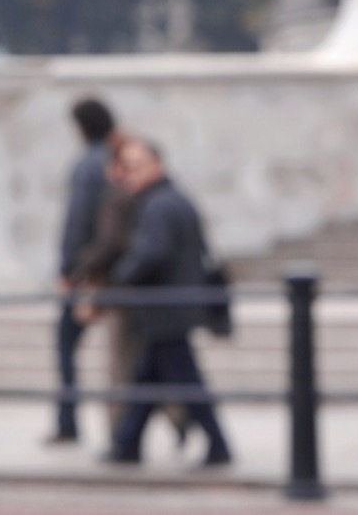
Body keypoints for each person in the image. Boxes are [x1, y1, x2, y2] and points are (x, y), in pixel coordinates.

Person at [107, 138, 231, 466]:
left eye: (137, 167)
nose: (129, 175)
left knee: (185, 382)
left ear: (157, 166)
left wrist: (120, 274)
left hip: (166, 309)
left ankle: (219, 446)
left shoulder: (158, 205)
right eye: (126, 167)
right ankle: (126, 444)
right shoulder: (173, 199)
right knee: (147, 377)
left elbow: (152, 253)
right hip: (172, 307)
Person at [48, 98, 116, 444]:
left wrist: (67, 269)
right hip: (115, 269)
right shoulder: (116, 160)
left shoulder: (87, 165)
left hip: (88, 272)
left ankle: (67, 421)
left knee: (65, 345)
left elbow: (76, 222)